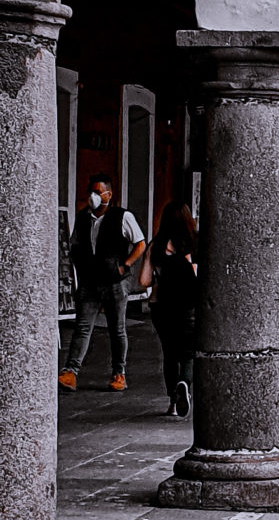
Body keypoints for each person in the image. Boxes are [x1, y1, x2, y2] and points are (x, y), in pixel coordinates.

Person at [59, 175, 146, 392]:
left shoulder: (122, 216)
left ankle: (119, 373)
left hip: (115, 281)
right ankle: (70, 371)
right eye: (92, 191)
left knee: (117, 329)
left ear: (109, 194)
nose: (94, 196)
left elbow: (140, 244)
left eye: (99, 192)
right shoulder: (83, 218)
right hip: (90, 281)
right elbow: (75, 244)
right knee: (83, 326)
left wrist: (124, 266)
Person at [148, 200, 198, 416]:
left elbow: (143, 280)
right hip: (187, 304)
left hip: (161, 305)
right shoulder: (191, 245)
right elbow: (195, 277)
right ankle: (184, 383)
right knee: (187, 351)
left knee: (169, 352)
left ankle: (172, 402)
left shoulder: (156, 245)